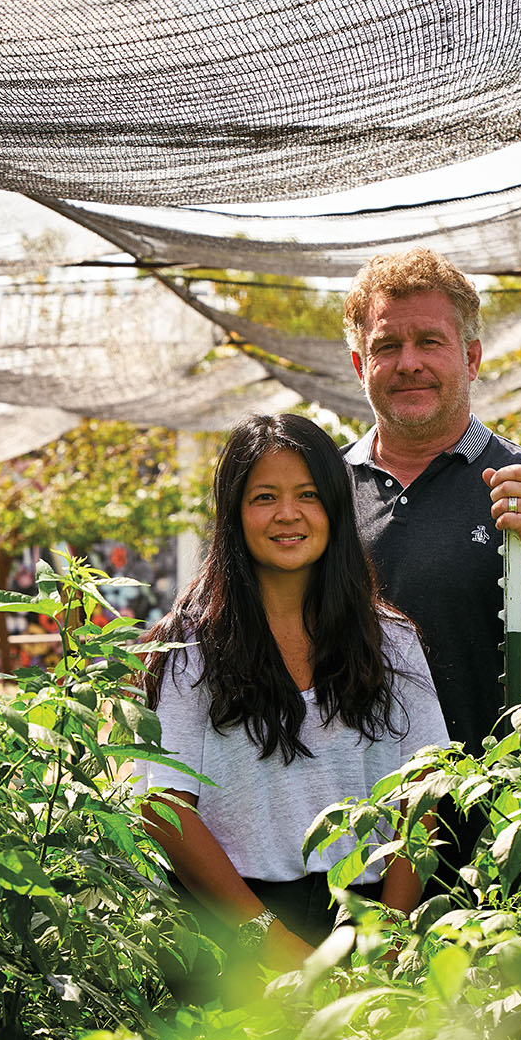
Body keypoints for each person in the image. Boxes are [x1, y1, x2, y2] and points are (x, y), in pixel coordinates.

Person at [136, 412, 449, 968]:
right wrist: (271, 941)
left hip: (368, 921)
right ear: (234, 513)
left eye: (308, 494)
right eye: (264, 497)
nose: (288, 514)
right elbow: (163, 805)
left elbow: (422, 800)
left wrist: (390, 941)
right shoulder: (190, 646)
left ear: (335, 506)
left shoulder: (393, 642)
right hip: (230, 927)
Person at [342, 248, 521, 759]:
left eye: (430, 342)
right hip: (346, 816)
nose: (409, 363)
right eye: (387, 346)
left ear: (471, 359)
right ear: (362, 365)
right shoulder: (323, 491)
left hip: (491, 812)